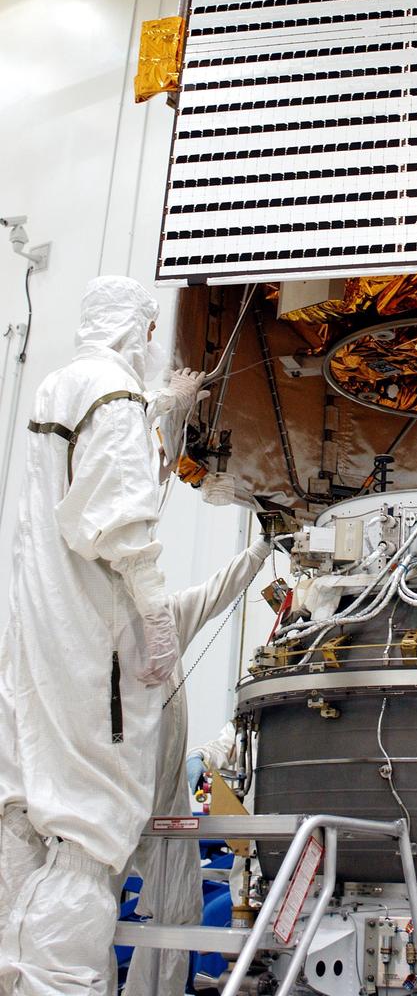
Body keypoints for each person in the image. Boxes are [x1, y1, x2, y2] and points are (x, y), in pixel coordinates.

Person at [0, 275, 206, 995]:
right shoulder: (114, 395)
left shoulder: (60, 387)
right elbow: (119, 520)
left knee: (23, 818)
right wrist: (157, 622)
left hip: (37, 636)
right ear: (139, 330)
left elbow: (92, 464)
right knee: (88, 835)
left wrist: (163, 408)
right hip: (92, 645)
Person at [122, 536, 271, 996]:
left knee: (178, 909)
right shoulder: (103, 635)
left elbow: (216, 591)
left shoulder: (166, 618)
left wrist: (261, 550)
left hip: (164, 794)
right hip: (113, 790)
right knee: (100, 905)